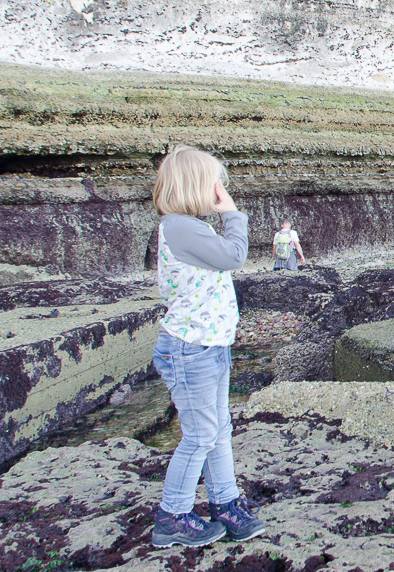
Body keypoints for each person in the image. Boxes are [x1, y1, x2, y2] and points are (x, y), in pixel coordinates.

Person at [150, 145, 264, 548]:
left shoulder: (186, 227)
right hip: (190, 349)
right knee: (201, 435)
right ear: (198, 185)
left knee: (218, 431)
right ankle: (172, 515)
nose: (219, 189)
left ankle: (225, 503)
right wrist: (232, 212)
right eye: (215, 183)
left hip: (208, 345)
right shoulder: (182, 227)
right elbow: (234, 255)